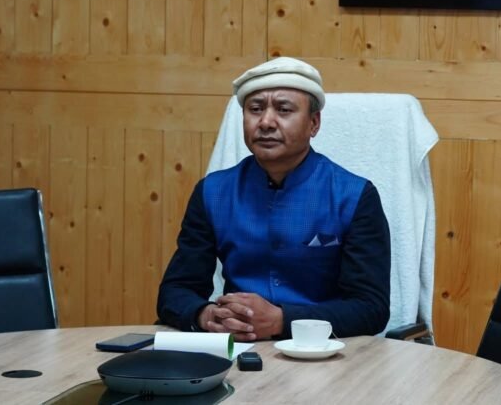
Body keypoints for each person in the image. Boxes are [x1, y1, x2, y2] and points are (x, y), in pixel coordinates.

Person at [156, 57, 391, 341]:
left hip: (327, 351)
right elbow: (176, 291)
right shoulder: (213, 192)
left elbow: (371, 308)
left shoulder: (353, 196)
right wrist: (206, 315)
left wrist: (282, 320)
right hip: (237, 347)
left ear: (314, 123)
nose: (266, 122)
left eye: (284, 110)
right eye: (255, 109)